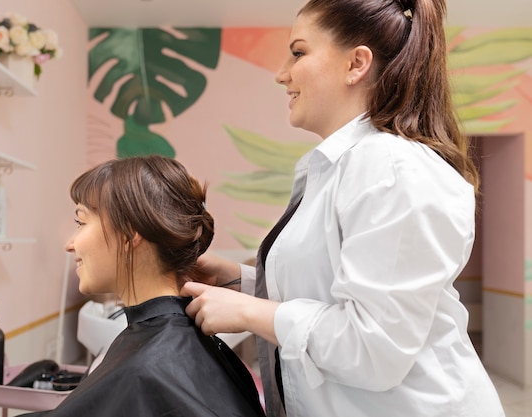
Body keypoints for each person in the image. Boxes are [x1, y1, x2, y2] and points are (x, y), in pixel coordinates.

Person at [181, 1, 506, 416]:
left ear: (356, 64)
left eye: (298, 53)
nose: (282, 74)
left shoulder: (391, 169)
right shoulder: (342, 167)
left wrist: (248, 312)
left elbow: (373, 349)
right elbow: (336, 288)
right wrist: (241, 282)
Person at [20, 156, 265, 417]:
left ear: (129, 232)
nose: (70, 244)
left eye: (81, 222)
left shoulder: (149, 366)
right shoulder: (169, 346)